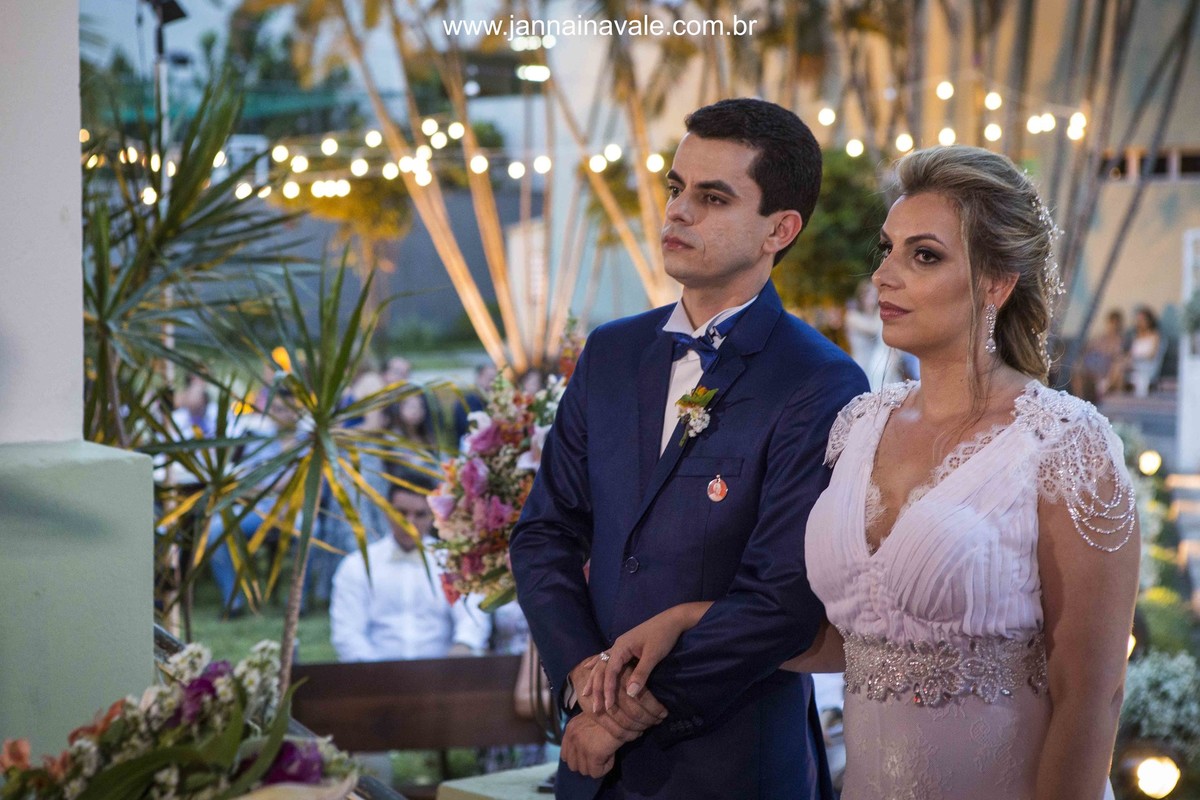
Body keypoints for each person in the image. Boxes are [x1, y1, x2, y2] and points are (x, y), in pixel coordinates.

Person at [589, 145, 1140, 800]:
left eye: (924, 255)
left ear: (997, 283)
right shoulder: (859, 425)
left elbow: (1092, 694)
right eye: (887, 249)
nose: (884, 275)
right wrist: (686, 618)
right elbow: (855, 637)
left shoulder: (1065, 444)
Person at [510, 97, 868, 799]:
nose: (677, 211)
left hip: (729, 761)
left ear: (779, 230)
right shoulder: (610, 353)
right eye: (677, 188)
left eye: (713, 197)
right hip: (591, 761)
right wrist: (583, 677)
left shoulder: (818, 381)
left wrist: (629, 711)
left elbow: (780, 599)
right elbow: (544, 533)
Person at [329, 472, 490, 661]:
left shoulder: (452, 562)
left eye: (420, 514)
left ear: (434, 516)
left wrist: (463, 646)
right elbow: (348, 633)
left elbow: (472, 618)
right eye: (401, 513)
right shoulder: (357, 566)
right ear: (387, 512)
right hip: (375, 672)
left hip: (443, 671)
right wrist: (376, 672)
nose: (409, 523)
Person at [844, 279, 903, 390]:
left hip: (877, 367)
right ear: (861, 296)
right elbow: (872, 328)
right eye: (869, 295)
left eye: (874, 295)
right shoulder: (852, 316)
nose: (872, 298)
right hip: (862, 365)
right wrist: (881, 311)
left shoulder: (876, 316)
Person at [1074, 309, 1125, 401]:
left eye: (1116, 323)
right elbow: (1087, 349)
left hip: (1105, 367)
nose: (1113, 326)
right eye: (1112, 323)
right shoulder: (1101, 338)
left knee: (1116, 367)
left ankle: (1096, 395)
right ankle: (1080, 400)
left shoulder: (1119, 340)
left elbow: (1118, 357)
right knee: (1077, 369)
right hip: (1092, 364)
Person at [1123, 305, 1162, 397]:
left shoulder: (1155, 336)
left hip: (1146, 366)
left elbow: (1152, 355)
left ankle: (1109, 390)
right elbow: (1131, 353)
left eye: (1142, 320)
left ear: (1149, 321)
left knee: (1119, 370)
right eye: (1138, 320)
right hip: (1133, 364)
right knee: (1118, 367)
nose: (1140, 322)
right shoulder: (1136, 336)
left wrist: (1135, 358)